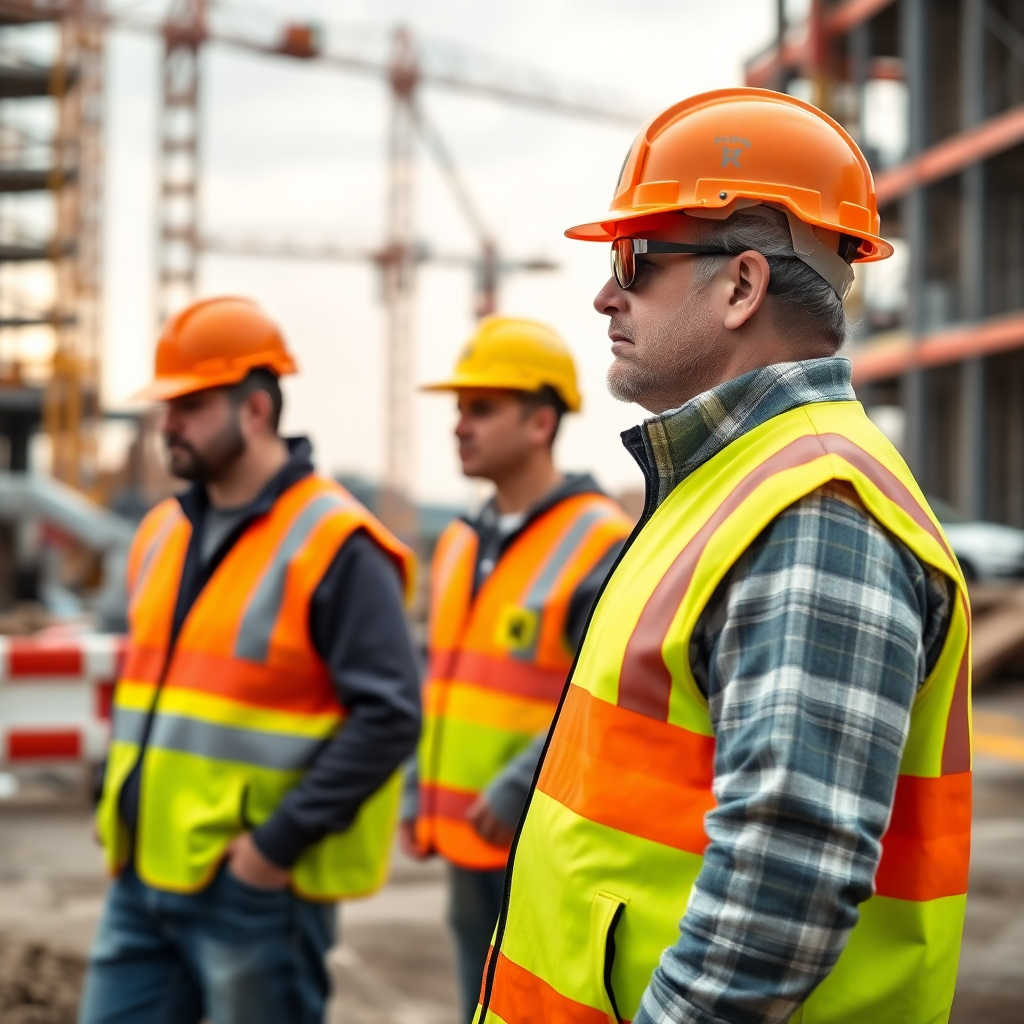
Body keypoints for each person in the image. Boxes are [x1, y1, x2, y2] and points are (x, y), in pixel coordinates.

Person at [474, 89, 971, 1024]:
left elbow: (786, 880)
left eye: (636, 259)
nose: (604, 293)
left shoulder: (817, 503)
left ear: (742, 285)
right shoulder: (731, 481)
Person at [81, 297, 422, 1024]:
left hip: (253, 896)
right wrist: (119, 796)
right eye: (167, 405)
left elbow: (390, 718)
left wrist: (271, 850)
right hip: (141, 875)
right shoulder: (160, 533)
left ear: (257, 408)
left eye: (191, 405)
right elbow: (153, 690)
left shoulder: (336, 543)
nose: (167, 424)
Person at [399, 315, 633, 1021]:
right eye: (458, 410)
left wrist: (515, 787)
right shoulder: (459, 545)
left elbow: (603, 694)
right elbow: (439, 683)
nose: (460, 426)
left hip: (540, 837)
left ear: (540, 422)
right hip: (467, 838)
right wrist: (417, 793)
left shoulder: (598, 539)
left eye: (482, 409)